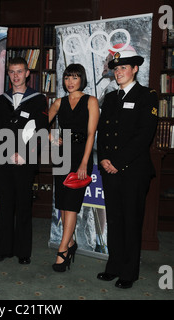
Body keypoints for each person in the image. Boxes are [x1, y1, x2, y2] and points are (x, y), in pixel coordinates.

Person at [97, 49, 158, 288]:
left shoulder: (147, 96)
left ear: (135, 69)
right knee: (115, 219)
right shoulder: (111, 98)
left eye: (124, 68)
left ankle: (129, 272)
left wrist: (118, 162)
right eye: (116, 68)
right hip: (109, 169)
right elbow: (103, 133)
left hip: (133, 170)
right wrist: (103, 159)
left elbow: (144, 135)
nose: (119, 71)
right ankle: (114, 266)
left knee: (131, 221)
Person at [0, 57, 48, 264]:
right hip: (4, 160)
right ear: (9, 74)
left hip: (26, 160)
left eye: (19, 71)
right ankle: (2, 249)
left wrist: (24, 153)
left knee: (23, 206)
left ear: (27, 73)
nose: (15, 76)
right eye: (12, 72)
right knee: (4, 205)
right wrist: (8, 153)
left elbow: (41, 129)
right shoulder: (0, 100)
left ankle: (23, 252)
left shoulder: (38, 99)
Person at [49, 64, 99, 272]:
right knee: (62, 203)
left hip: (80, 154)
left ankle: (63, 248)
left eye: (75, 77)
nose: (70, 81)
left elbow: (91, 134)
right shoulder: (59, 102)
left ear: (82, 79)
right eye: (67, 77)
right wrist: (50, 135)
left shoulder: (91, 101)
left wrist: (85, 162)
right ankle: (70, 243)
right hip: (62, 155)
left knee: (71, 203)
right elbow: (40, 123)